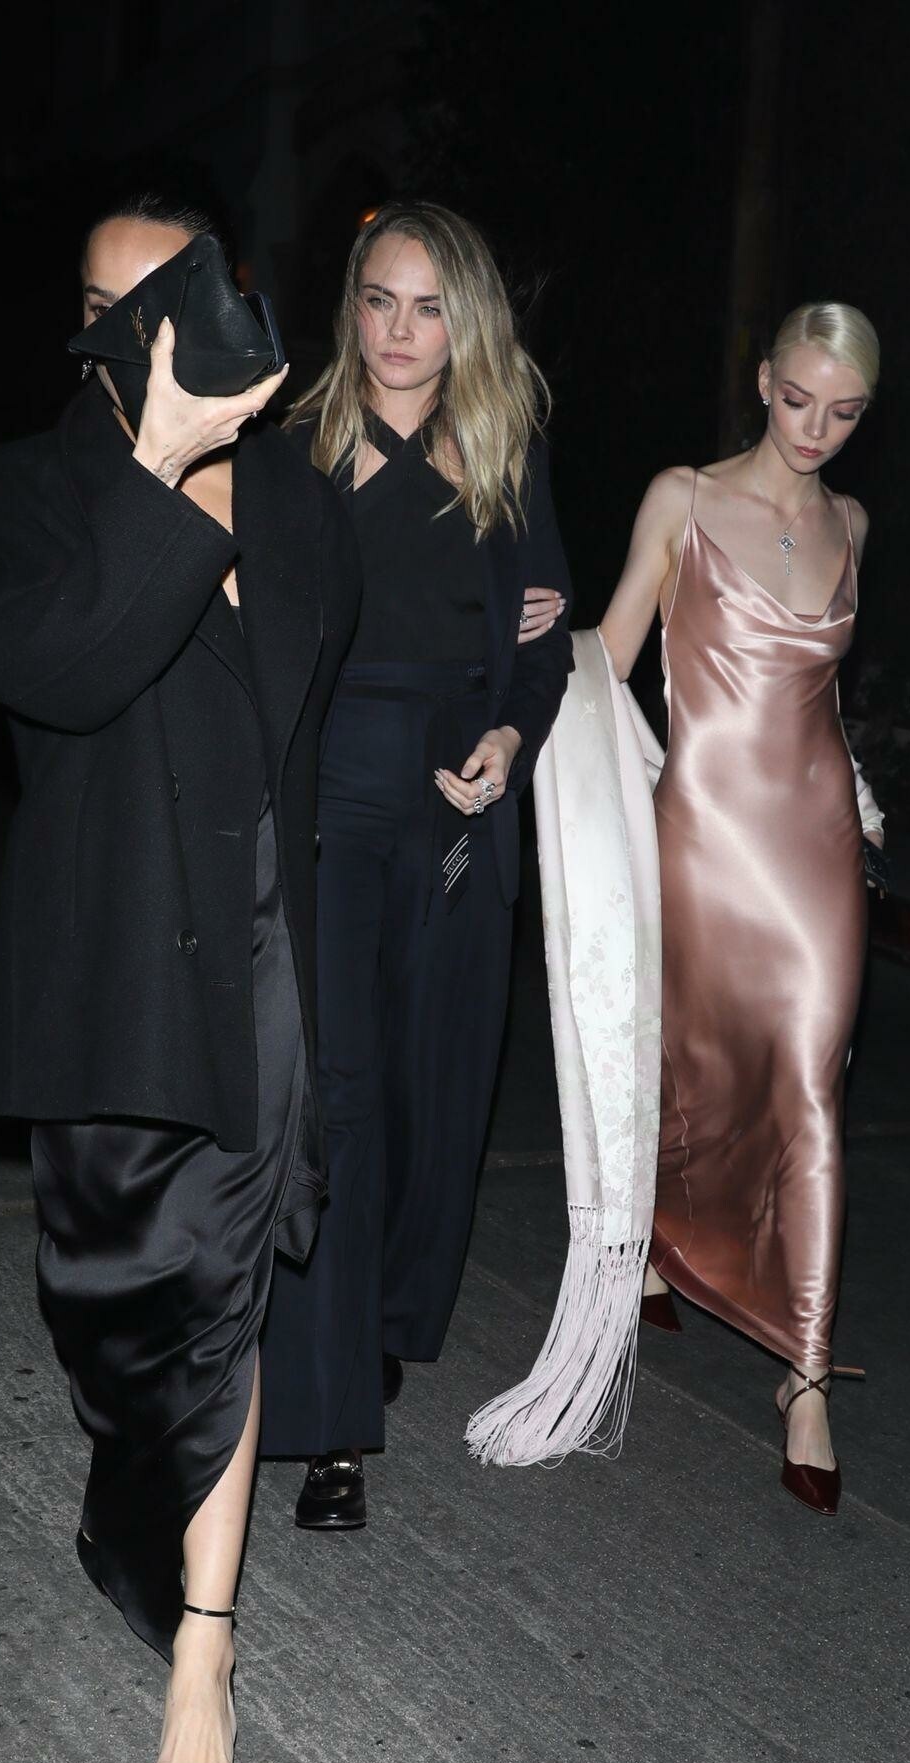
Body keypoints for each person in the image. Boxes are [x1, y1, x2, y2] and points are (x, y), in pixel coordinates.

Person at [0, 189, 360, 1763]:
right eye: (105, 304)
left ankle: (206, 1651)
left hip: (258, 964)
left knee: (224, 1298)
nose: (133, 329)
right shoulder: (35, 486)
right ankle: (135, 1502)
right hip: (115, 969)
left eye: (165, 295)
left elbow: (320, 719)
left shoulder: (301, 498)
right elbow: (55, 672)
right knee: (120, 1312)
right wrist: (161, 466)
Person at [258, 201, 573, 1527]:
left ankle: (379, 1312)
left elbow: (543, 649)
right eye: (380, 300)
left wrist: (508, 735)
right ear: (352, 307)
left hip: (451, 813)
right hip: (328, 805)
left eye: (429, 307)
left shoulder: (503, 452)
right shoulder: (296, 447)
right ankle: (333, 1424)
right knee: (336, 1096)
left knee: (425, 1096)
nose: (399, 330)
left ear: (467, 321)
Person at [596, 302, 886, 1515]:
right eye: (798, 398)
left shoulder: (850, 524)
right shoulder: (682, 498)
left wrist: (858, 793)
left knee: (810, 1085)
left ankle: (805, 1377)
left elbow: (817, 695)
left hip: (815, 844)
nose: (814, 428)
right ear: (762, 380)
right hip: (704, 841)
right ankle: (664, 1234)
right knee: (696, 1067)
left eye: (843, 412)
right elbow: (612, 657)